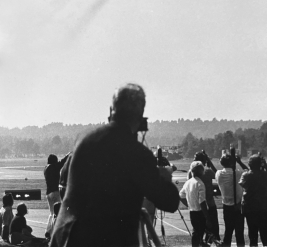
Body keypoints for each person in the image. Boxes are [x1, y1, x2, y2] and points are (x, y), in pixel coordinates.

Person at [50, 83, 180, 247]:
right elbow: (170, 202)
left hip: (66, 236)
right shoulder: (137, 153)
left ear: (112, 110)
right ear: (140, 116)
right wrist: (164, 178)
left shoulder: (84, 139)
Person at [216, 153, 248, 247]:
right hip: (238, 206)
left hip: (227, 206)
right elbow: (248, 171)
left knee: (228, 231)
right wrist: (239, 162)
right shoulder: (238, 173)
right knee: (239, 232)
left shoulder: (219, 174)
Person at [187, 151, 220, 243]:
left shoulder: (191, 172)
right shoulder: (209, 171)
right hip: (210, 205)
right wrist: (210, 163)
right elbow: (218, 175)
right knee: (213, 231)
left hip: (197, 207)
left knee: (197, 231)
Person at [179, 161, 212, 247]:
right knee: (201, 234)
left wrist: (189, 204)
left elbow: (181, 195)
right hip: (200, 213)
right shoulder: (200, 184)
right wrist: (207, 217)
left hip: (192, 212)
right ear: (201, 171)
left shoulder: (188, 182)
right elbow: (202, 202)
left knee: (195, 233)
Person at [239, 154, 267, 247]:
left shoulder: (246, 175)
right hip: (263, 207)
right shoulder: (265, 175)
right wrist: (265, 167)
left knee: (252, 233)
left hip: (250, 208)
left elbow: (242, 184)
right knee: (265, 232)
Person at [44, 152, 71, 237]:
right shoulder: (53, 167)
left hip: (48, 192)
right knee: (56, 212)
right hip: (55, 192)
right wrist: (69, 154)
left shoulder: (46, 168)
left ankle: (48, 232)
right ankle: (55, 231)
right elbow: (62, 162)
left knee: (52, 213)